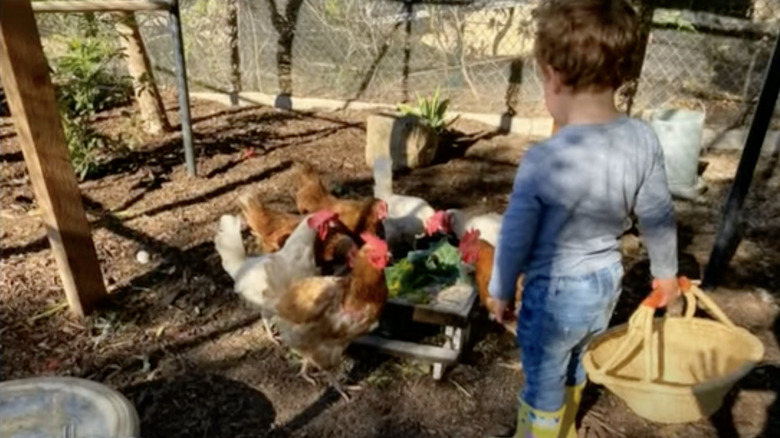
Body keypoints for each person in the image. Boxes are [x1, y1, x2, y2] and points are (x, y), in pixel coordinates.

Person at [487, 1, 680, 437]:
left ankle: (539, 433)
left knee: (543, 377)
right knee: (579, 361)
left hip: (555, 293)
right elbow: (658, 214)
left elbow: (516, 235)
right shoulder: (643, 139)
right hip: (606, 283)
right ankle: (566, 427)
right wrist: (666, 274)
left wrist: (499, 288)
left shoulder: (545, 158)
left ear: (553, 76)